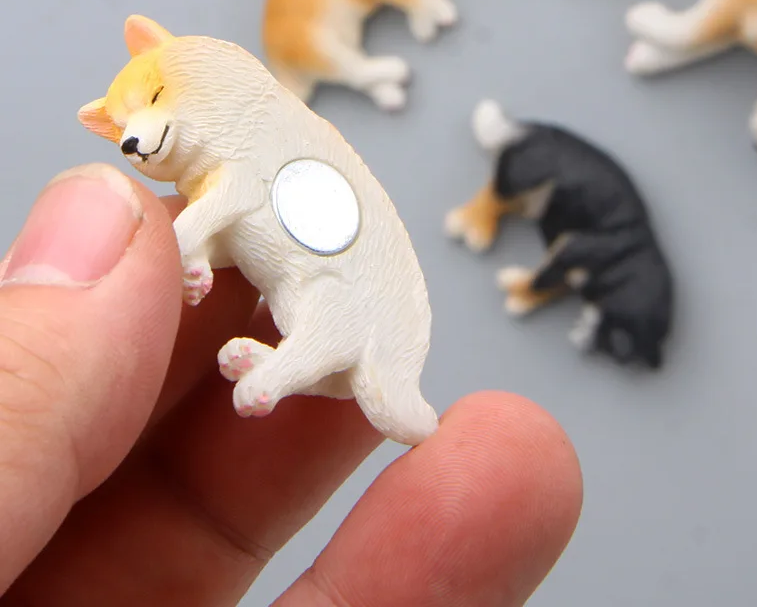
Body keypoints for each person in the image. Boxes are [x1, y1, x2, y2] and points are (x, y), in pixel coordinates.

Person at [0, 163, 583, 604]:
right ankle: (282, 369)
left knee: (329, 331)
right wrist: (194, 254)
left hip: (347, 309)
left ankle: (279, 374)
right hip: (327, 311)